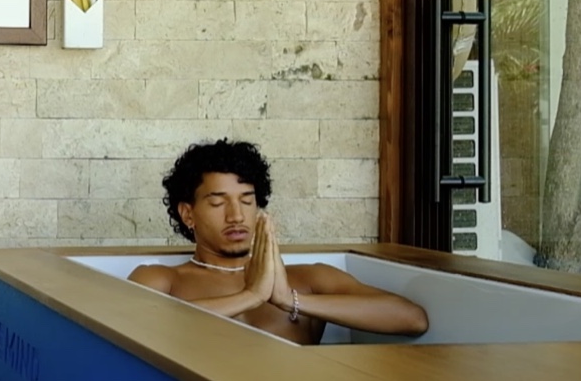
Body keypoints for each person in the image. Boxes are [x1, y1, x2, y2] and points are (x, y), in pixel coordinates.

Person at [129, 139, 428, 344]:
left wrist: (290, 300)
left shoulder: (306, 279)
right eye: (219, 203)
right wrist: (251, 296)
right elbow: (131, 328)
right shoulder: (162, 280)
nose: (236, 216)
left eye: (247, 201)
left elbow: (412, 319)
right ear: (188, 213)